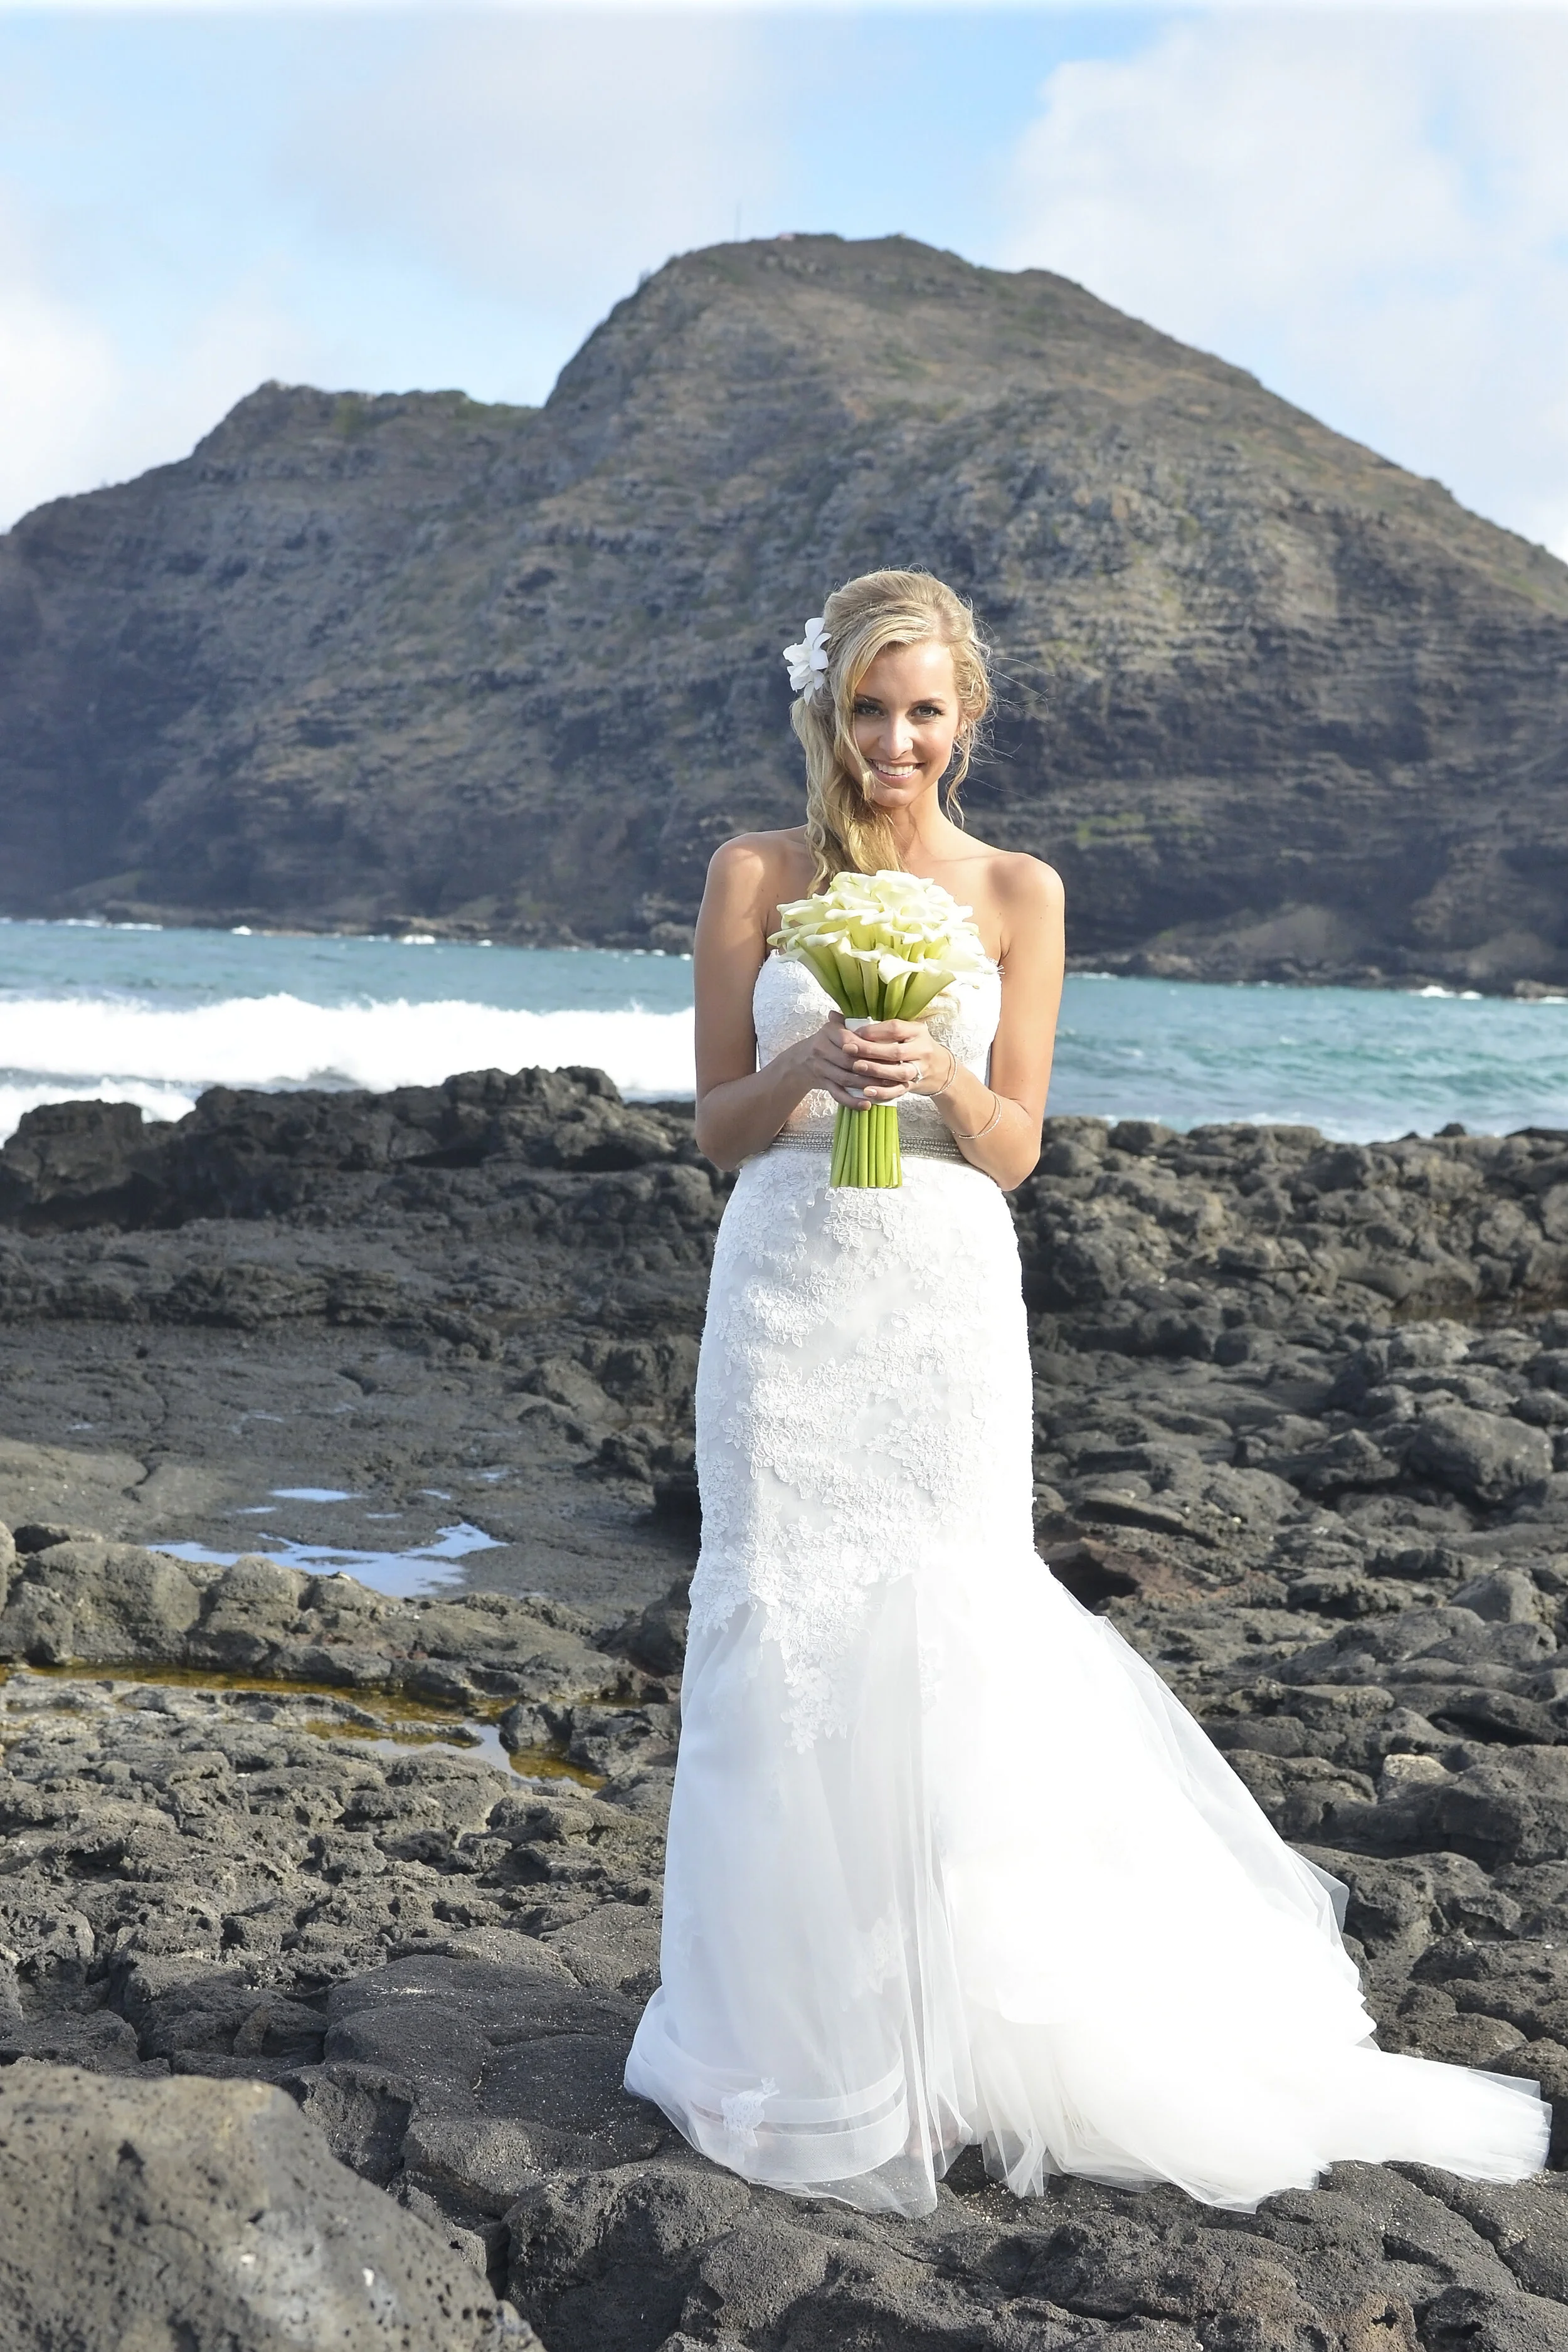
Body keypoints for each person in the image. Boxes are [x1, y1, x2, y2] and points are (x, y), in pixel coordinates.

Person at [623, 568, 1549, 2215]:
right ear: (824, 712)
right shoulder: (752, 874)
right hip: (786, 1304)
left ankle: (963, 2035)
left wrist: (934, 1069)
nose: (894, 741)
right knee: (782, 1620)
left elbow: (1016, 1147)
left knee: (953, 1624)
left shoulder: (1017, 891)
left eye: (923, 710)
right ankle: (793, 2040)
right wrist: (810, 1065)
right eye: (866, 708)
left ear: (965, 719)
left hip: (940, 1302)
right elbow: (712, 1127)